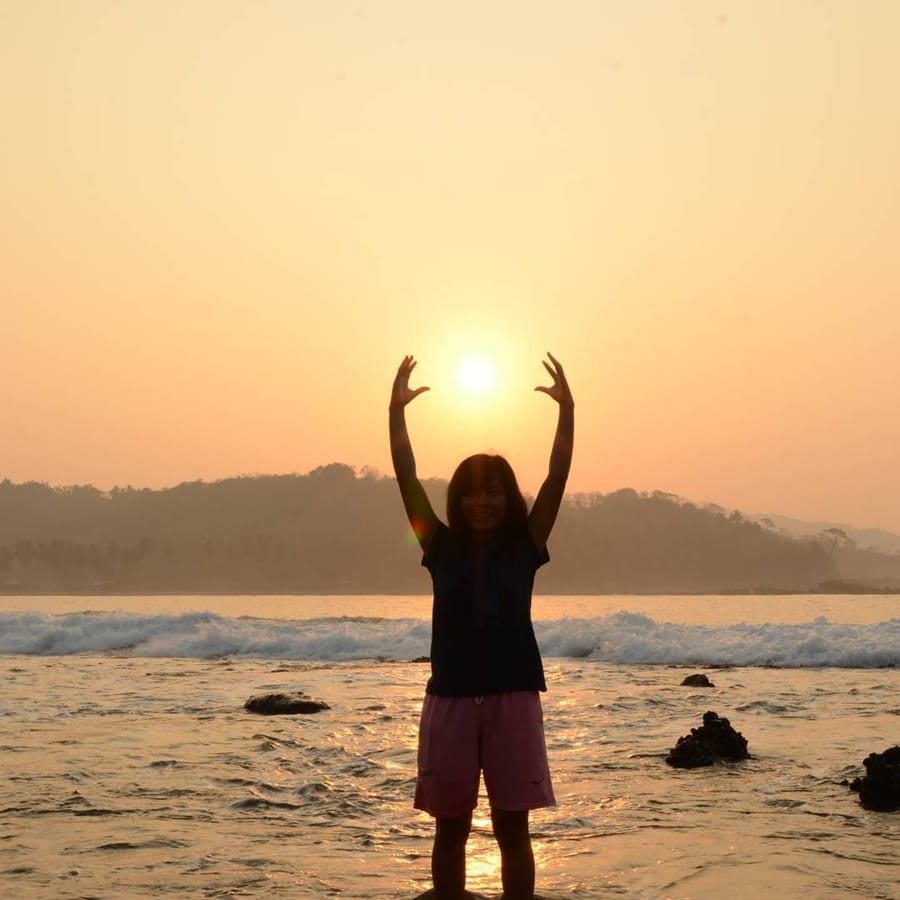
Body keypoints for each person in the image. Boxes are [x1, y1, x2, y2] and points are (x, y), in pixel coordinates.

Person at [389, 353, 574, 900]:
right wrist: (394, 414)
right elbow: (405, 476)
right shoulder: (438, 544)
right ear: (457, 500)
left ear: (507, 497)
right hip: (448, 699)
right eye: (470, 492)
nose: (482, 501)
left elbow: (557, 476)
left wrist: (568, 413)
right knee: (451, 828)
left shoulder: (527, 543)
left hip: (514, 698)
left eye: (493, 491)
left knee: (512, 827)